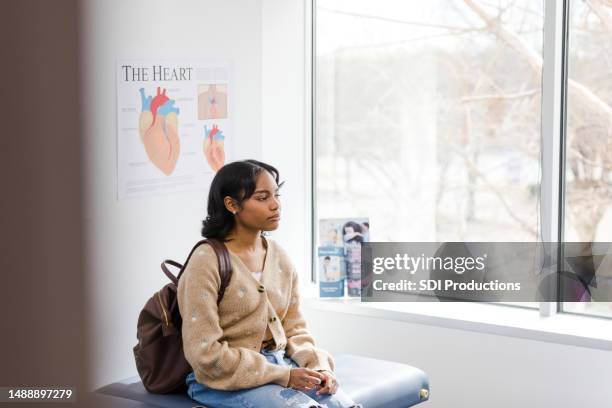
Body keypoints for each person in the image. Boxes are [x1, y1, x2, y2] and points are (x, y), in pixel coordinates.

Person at [177, 160, 362, 408]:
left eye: (276, 195)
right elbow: (205, 354)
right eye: (262, 197)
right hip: (219, 382)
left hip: (280, 366)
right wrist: (282, 375)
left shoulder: (279, 256)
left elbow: (295, 329)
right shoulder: (206, 261)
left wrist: (318, 367)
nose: (275, 205)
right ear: (231, 204)